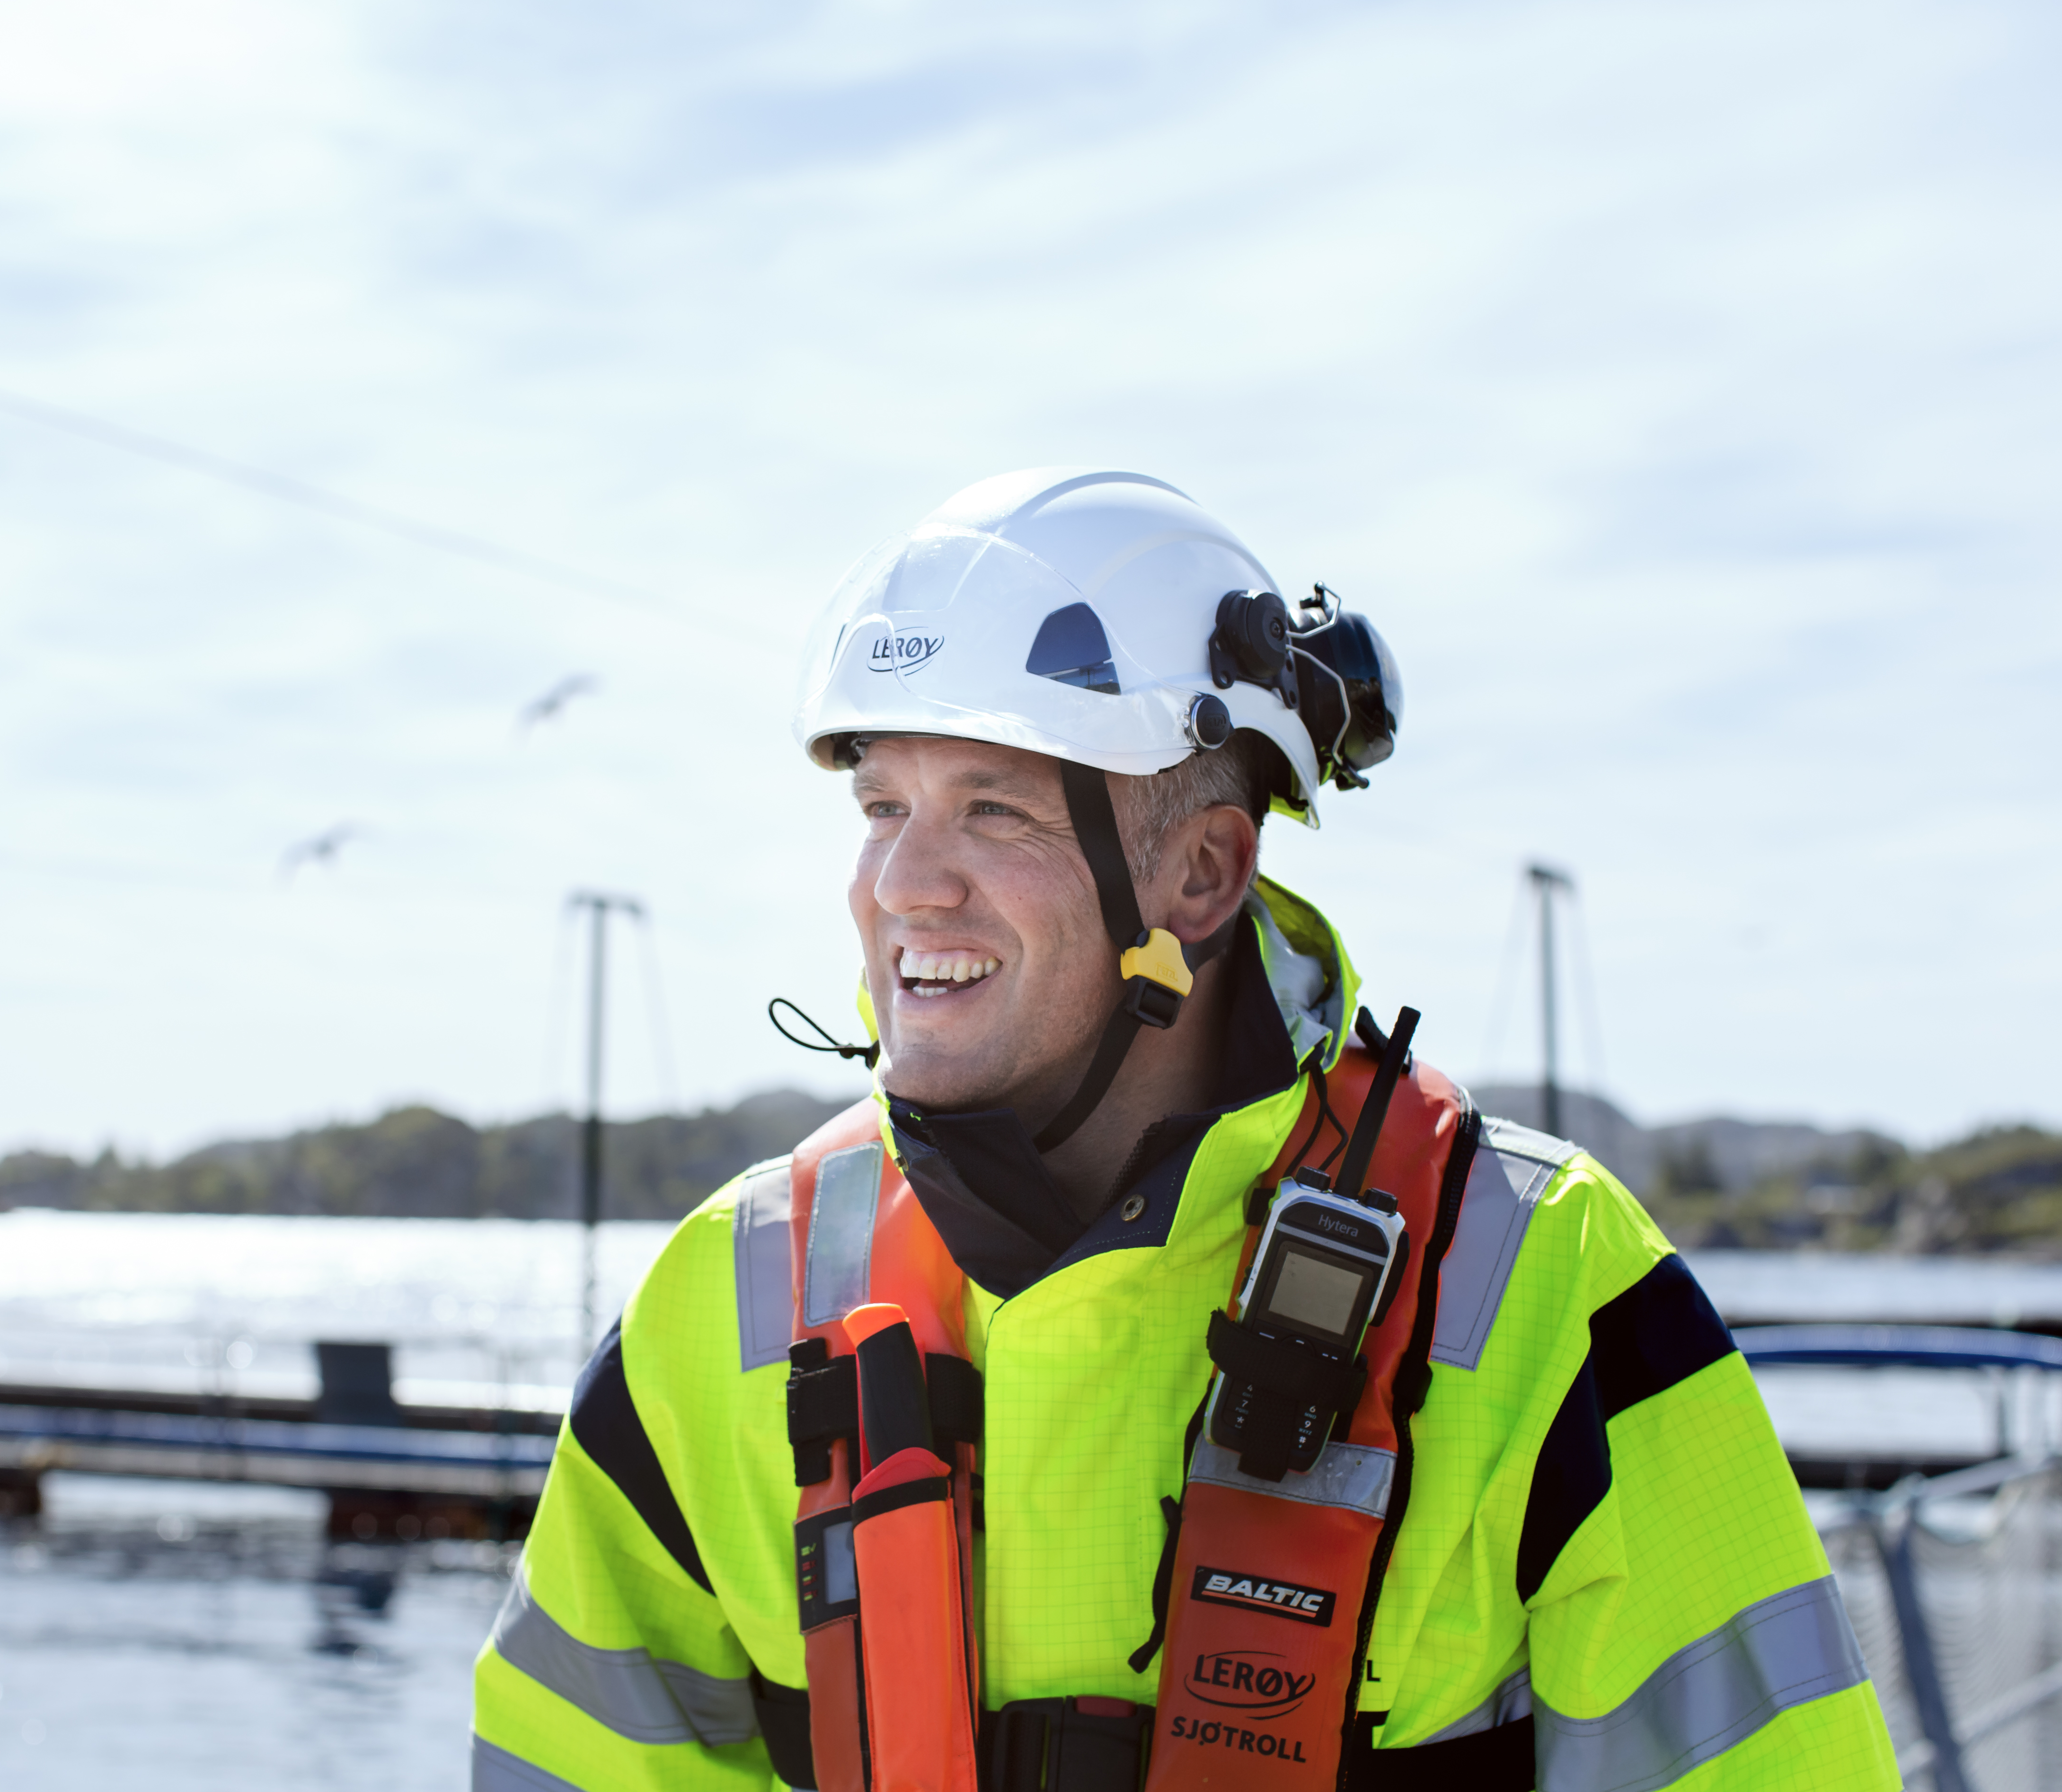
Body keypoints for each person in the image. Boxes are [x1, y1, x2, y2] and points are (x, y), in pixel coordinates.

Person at [471, 469, 1898, 1791]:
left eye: (994, 812)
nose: (903, 884)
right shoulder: (720, 1303)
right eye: (884, 804)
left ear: (1204, 872)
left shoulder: (1550, 1290)